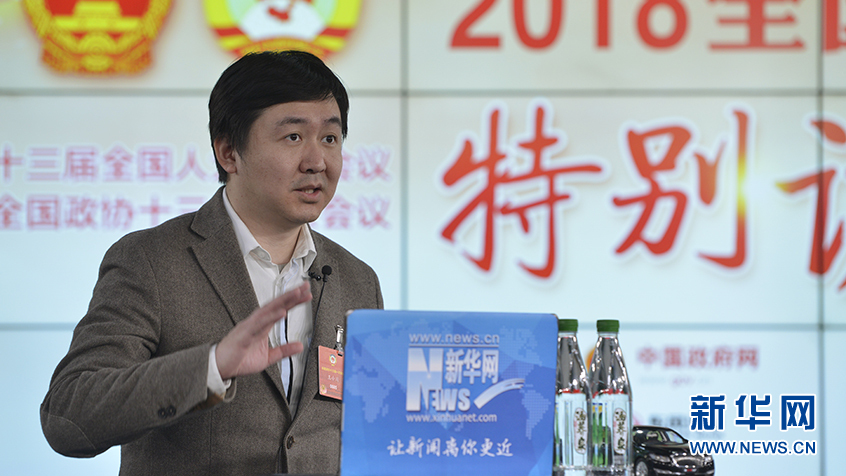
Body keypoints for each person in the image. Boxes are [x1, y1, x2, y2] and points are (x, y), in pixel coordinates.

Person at [40, 50, 383, 475]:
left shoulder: (357, 279)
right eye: (294, 137)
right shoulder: (151, 260)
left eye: (330, 138)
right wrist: (212, 367)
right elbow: (69, 417)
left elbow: (366, 434)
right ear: (228, 153)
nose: (317, 162)